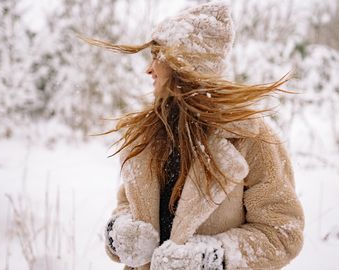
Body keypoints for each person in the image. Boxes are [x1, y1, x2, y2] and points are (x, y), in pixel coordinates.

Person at [80, 1, 304, 269]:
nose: (148, 69)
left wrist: (210, 259)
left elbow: (282, 233)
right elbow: (126, 204)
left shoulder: (251, 138)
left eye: (157, 57)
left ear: (186, 65)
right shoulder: (148, 135)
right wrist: (120, 233)